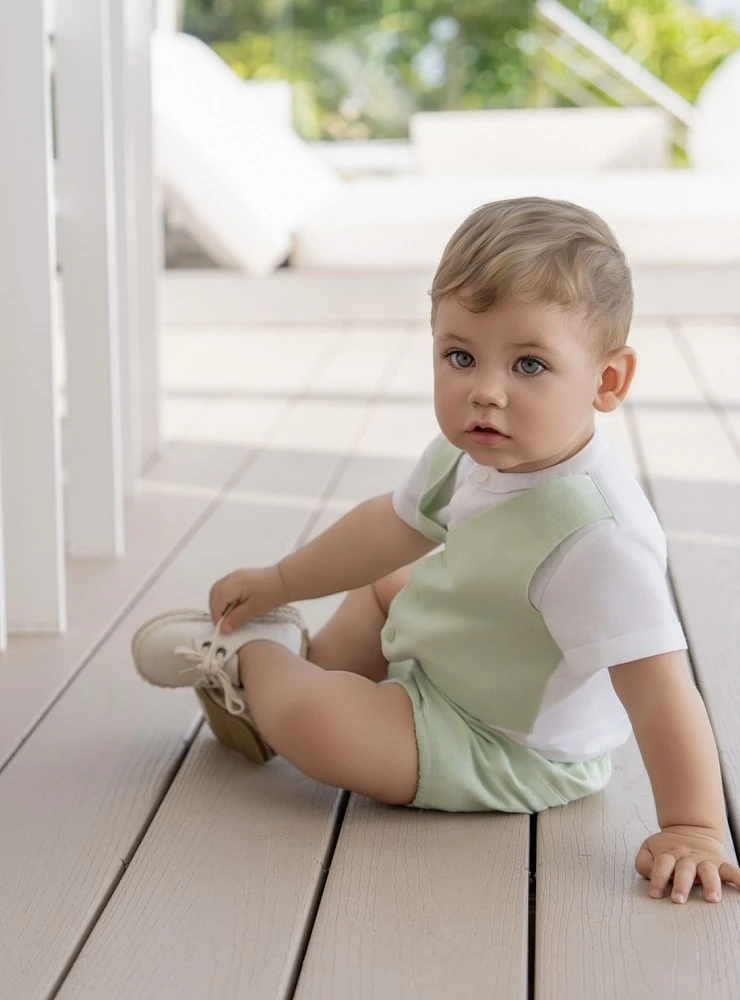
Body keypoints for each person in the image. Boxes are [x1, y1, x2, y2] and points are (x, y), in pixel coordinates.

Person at [133, 196, 740, 906]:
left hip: (501, 742)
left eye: (529, 365)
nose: (485, 391)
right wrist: (279, 578)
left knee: (317, 724)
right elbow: (385, 528)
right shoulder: (474, 454)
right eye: (460, 356)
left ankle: (253, 660)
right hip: (458, 652)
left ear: (607, 381)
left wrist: (695, 826)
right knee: (387, 580)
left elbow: (662, 690)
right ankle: (303, 662)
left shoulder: (596, 536)